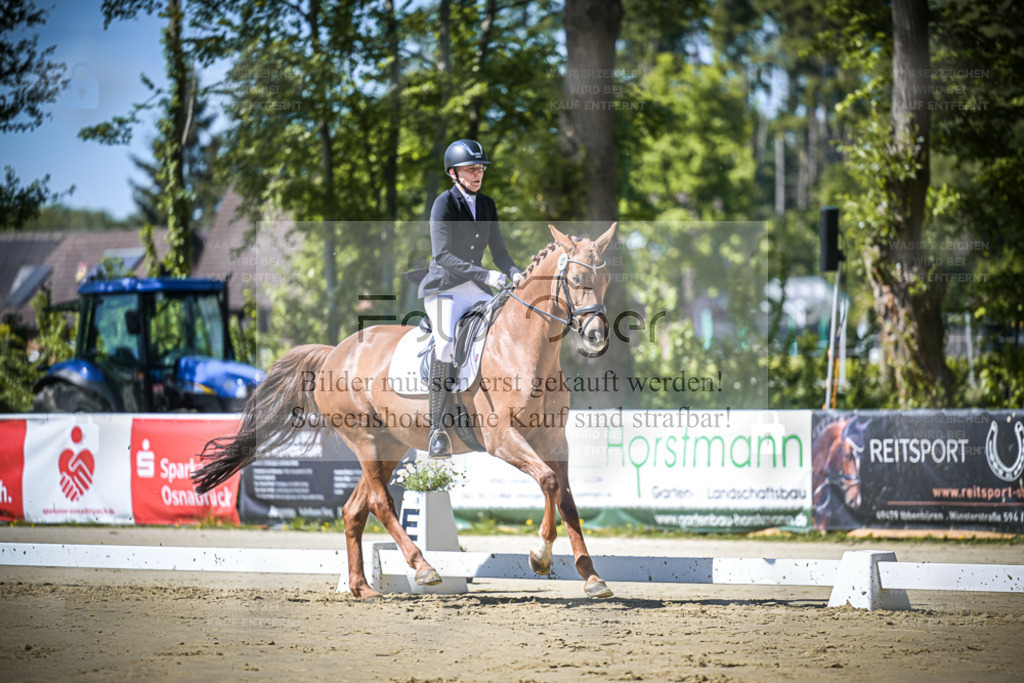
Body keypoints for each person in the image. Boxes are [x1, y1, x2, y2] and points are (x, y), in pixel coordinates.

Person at [417, 139, 522, 458]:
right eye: (471, 169)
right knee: (446, 344)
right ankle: (437, 429)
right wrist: (487, 275)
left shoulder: (487, 204)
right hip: (444, 288)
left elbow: (500, 252)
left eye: (480, 169)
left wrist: (515, 272)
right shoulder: (443, 204)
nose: (478, 174)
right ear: (453, 173)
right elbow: (443, 255)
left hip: (476, 291)